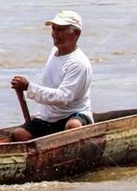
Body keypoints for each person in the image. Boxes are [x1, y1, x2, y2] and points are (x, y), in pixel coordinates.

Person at [9, 10, 92, 141]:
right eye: (53, 29)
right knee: (19, 134)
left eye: (60, 30)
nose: (54, 34)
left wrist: (29, 87)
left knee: (73, 126)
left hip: (73, 114)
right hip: (48, 118)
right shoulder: (55, 51)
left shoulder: (78, 63)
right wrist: (28, 88)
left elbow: (63, 98)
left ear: (76, 34)